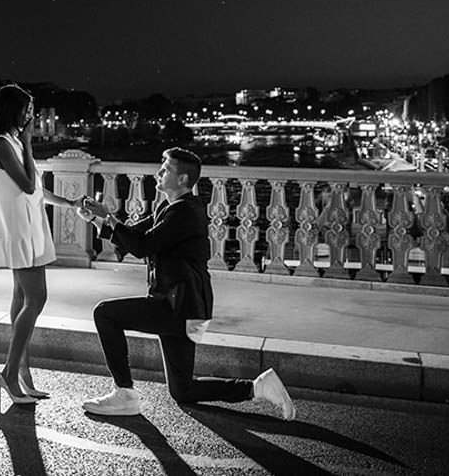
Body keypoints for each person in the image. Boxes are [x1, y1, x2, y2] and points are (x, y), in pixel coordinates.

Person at [76, 147, 296, 419]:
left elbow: (143, 246)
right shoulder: (169, 207)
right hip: (190, 307)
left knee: (105, 314)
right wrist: (100, 219)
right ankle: (257, 388)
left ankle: (124, 393)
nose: (158, 172)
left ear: (182, 180)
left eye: (165, 169)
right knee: (183, 390)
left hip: (178, 307)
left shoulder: (185, 213)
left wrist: (108, 218)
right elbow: (134, 234)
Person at [0, 84, 83, 404]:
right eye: (26, 109)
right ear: (12, 110)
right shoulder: (2, 144)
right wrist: (28, 143)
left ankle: (22, 373)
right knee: (36, 299)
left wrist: (69, 203)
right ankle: (10, 374)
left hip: (31, 226)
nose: (31, 115)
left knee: (22, 297)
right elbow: (25, 185)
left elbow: (36, 189)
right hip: (20, 229)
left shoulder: (10, 142)